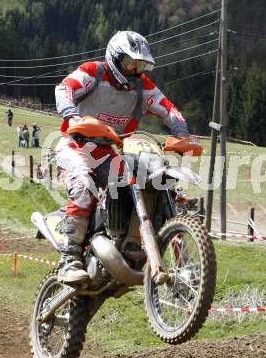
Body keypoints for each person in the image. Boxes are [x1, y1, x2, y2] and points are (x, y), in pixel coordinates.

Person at [54, 30, 201, 284]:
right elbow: (65, 87)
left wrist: (181, 132)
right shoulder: (94, 72)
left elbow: (168, 108)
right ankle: (69, 260)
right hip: (77, 146)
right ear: (115, 57)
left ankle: (126, 243)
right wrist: (72, 115)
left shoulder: (143, 86)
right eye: (130, 62)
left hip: (110, 152)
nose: (134, 69)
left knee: (148, 183)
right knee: (83, 188)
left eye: (141, 65)